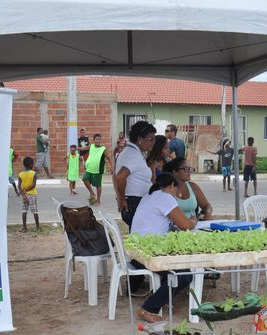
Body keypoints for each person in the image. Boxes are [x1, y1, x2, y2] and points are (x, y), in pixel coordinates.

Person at [130, 173, 197, 322]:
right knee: (183, 275)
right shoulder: (165, 197)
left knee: (179, 270)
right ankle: (148, 309)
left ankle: (158, 297)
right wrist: (193, 220)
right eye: (176, 191)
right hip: (147, 254)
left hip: (137, 252)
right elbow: (185, 226)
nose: (176, 196)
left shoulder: (150, 196)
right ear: (172, 186)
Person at [115, 120, 157, 228]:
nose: (153, 142)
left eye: (154, 139)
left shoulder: (132, 152)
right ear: (139, 139)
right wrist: (121, 199)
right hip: (134, 203)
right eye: (150, 139)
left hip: (135, 202)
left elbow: (115, 176)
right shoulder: (133, 155)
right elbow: (119, 177)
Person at [82, 133, 114, 205]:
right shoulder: (92, 146)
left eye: (99, 139)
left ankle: (98, 201)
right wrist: (77, 148)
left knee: (98, 185)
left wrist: (112, 167)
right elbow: (85, 148)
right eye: (97, 139)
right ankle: (92, 193)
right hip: (89, 169)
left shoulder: (103, 149)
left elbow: (109, 158)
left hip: (98, 170)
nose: (98, 140)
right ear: (94, 140)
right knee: (84, 179)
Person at [18, 156, 40, 232]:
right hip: (32, 194)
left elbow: (19, 186)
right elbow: (34, 185)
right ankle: (37, 227)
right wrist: (26, 190)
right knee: (35, 211)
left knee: (24, 210)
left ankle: (24, 227)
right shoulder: (34, 173)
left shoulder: (20, 174)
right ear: (31, 164)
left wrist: (23, 193)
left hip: (24, 196)